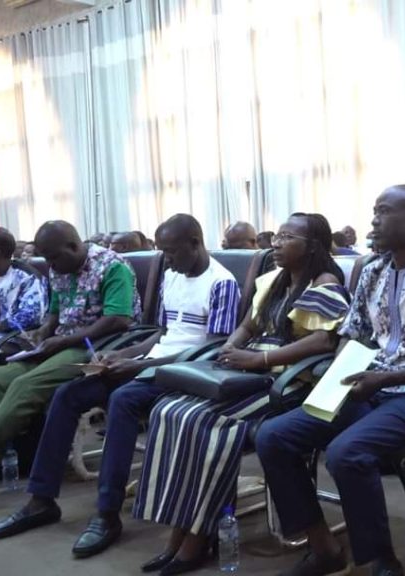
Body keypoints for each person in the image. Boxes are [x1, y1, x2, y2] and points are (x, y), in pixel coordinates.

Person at [256, 185, 405, 576]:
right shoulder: (372, 271)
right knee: (273, 436)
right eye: (374, 211)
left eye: (383, 212)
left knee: (346, 453)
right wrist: (340, 374)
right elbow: (352, 332)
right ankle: (324, 548)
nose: (374, 220)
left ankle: (381, 560)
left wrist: (388, 377)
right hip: (368, 385)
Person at [0, 214, 240, 559]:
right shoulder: (172, 276)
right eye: (163, 252)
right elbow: (163, 335)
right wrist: (124, 354)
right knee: (68, 394)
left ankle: (107, 513)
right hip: (152, 364)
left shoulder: (222, 283)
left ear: (195, 243)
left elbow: (213, 353)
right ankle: (41, 499)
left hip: (187, 373)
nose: (166, 260)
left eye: (171, 252)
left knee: (123, 399)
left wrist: (141, 365)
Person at [133, 213, 347, 575]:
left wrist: (259, 359)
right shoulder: (274, 279)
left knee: (208, 423)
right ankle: (181, 530)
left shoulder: (324, 283)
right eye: (277, 236)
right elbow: (248, 324)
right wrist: (230, 348)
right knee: (170, 411)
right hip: (249, 371)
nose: (276, 243)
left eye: (287, 238)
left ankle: (196, 538)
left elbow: (323, 340)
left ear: (312, 246)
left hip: (287, 381)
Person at [0, 221, 141, 507]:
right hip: (62, 343)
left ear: (74, 246)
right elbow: (55, 312)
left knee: (25, 385)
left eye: (54, 258)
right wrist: (43, 332)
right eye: (47, 259)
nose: (51, 265)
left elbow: (118, 319)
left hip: (99, 347)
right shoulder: (59, 267)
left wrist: (63, 340)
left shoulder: (112, 266)